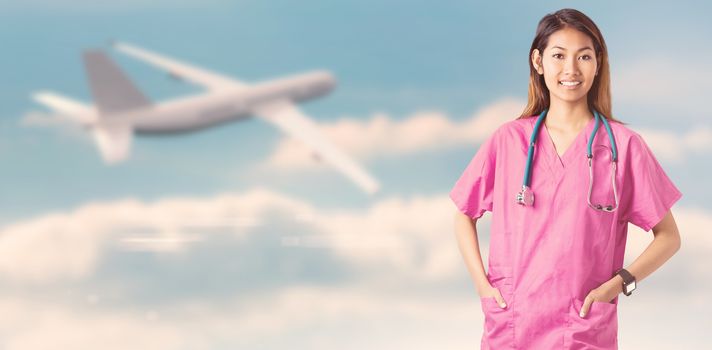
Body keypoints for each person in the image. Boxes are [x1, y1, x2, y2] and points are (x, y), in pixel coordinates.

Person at [449, 8, 682, 350]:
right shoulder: (508, 140)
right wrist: (482, 285)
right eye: (558, 56)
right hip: (513, 325)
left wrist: (618, 284)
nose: (571, 69)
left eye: (584, 56)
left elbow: (669, 237)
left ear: (598, 63)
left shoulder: (624, 147)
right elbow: (463, 214)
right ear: (538, 61)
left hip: (583, 327)